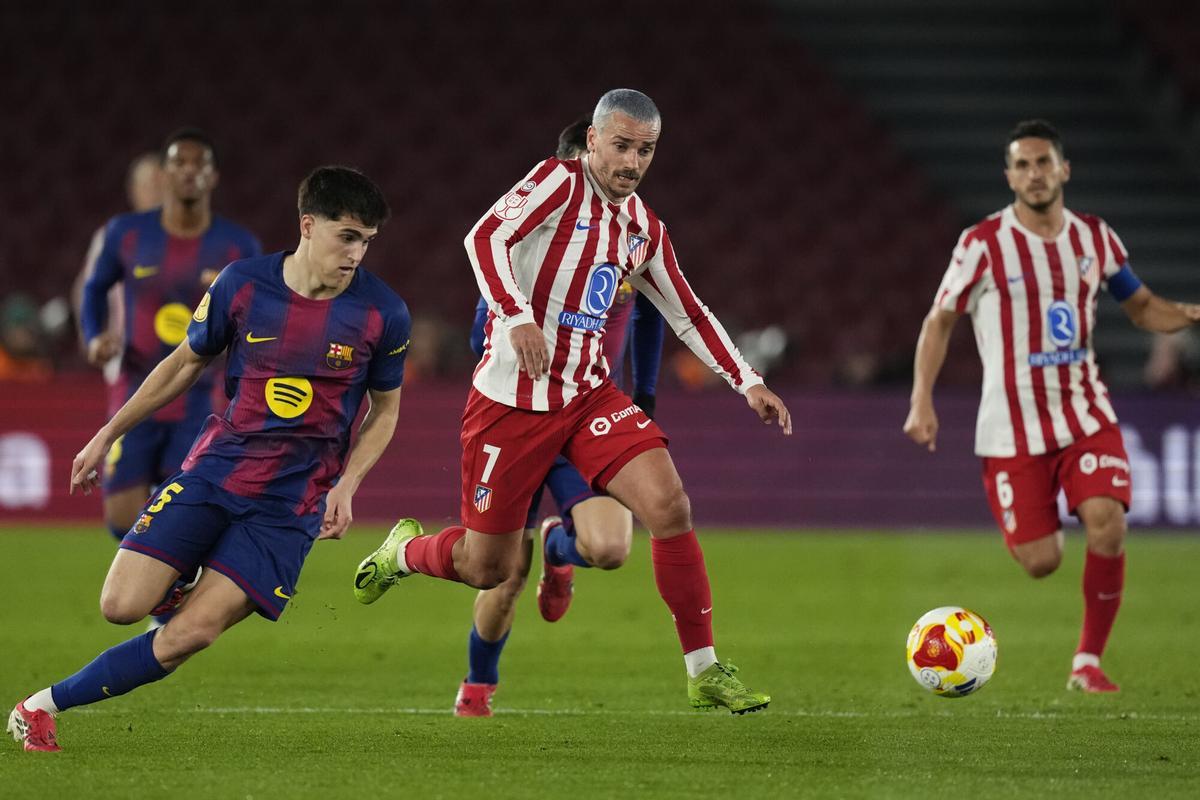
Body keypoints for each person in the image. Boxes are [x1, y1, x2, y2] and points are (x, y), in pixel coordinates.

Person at [355, 88, 791, 715]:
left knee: (669, 506)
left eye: (645, 150)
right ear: (592, 140)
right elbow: (484, 239)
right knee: (488, 568)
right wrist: (516, 316)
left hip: (588, 398)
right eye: (621, 145)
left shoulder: (644, 228)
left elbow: (687, 311)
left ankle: (704, 670)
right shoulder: (557, 183)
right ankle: (405, 551)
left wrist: (748, 380)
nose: (632, 162)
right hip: (510, 405)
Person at [7, 166, 411, 752]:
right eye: (347, 236)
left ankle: (39, 707)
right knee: (120, 606)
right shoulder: (243, 285)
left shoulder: (382, 313)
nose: (357, 253)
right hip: (215, 472)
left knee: (188, 635)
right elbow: (183, 363)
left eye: (367, 240)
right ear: (307, 225)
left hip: (290, 505)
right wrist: (106, 434)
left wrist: (346, 485)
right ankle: (190, 570)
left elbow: (386, 410)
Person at [903, 119, 1200, 693]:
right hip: (1010, 428)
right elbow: (939, 321)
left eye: (1044, 163)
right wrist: (921, 399)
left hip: (1085, 414)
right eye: (1022, 164)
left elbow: (1140, 308)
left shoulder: (1095, 239)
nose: (1034, 174)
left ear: (1064, 169)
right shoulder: (982, 243)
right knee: (1042, 561)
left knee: (1107, 522)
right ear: (1009, 176)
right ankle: (1040, 529)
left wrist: (1186, 314)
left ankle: (1087, 661)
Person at [453, 115, 666, 717]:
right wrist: (521, 326)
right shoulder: (523, 261)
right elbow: (482, 338)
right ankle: (478, 686)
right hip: (519, 416)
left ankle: (560, 549)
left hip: (583, 420)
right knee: (501, 573)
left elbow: (652, 315)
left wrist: (643, 397)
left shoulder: (628, 242)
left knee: (610, 548)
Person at [79, 129, 261, 571]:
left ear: (213, 176)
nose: (188, 173)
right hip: (134, 390)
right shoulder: (125, 233)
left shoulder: (239, 246)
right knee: (121, 517)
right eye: (179, 164)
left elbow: (259, 318)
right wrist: (93, 336)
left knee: (186, 505)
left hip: (201, 395)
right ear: (164, 174)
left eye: (198, 165)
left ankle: (166, 592)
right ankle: (176, 577)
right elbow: (95, 288)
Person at [72, 151, 165, 375]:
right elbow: (86, 289)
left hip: (181, 361)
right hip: (128, 361)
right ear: (132, 190)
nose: (155, 192)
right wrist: (92, 336)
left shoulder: (193, 239)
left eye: (161, 183)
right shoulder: (113, 236)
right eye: (148, 185)